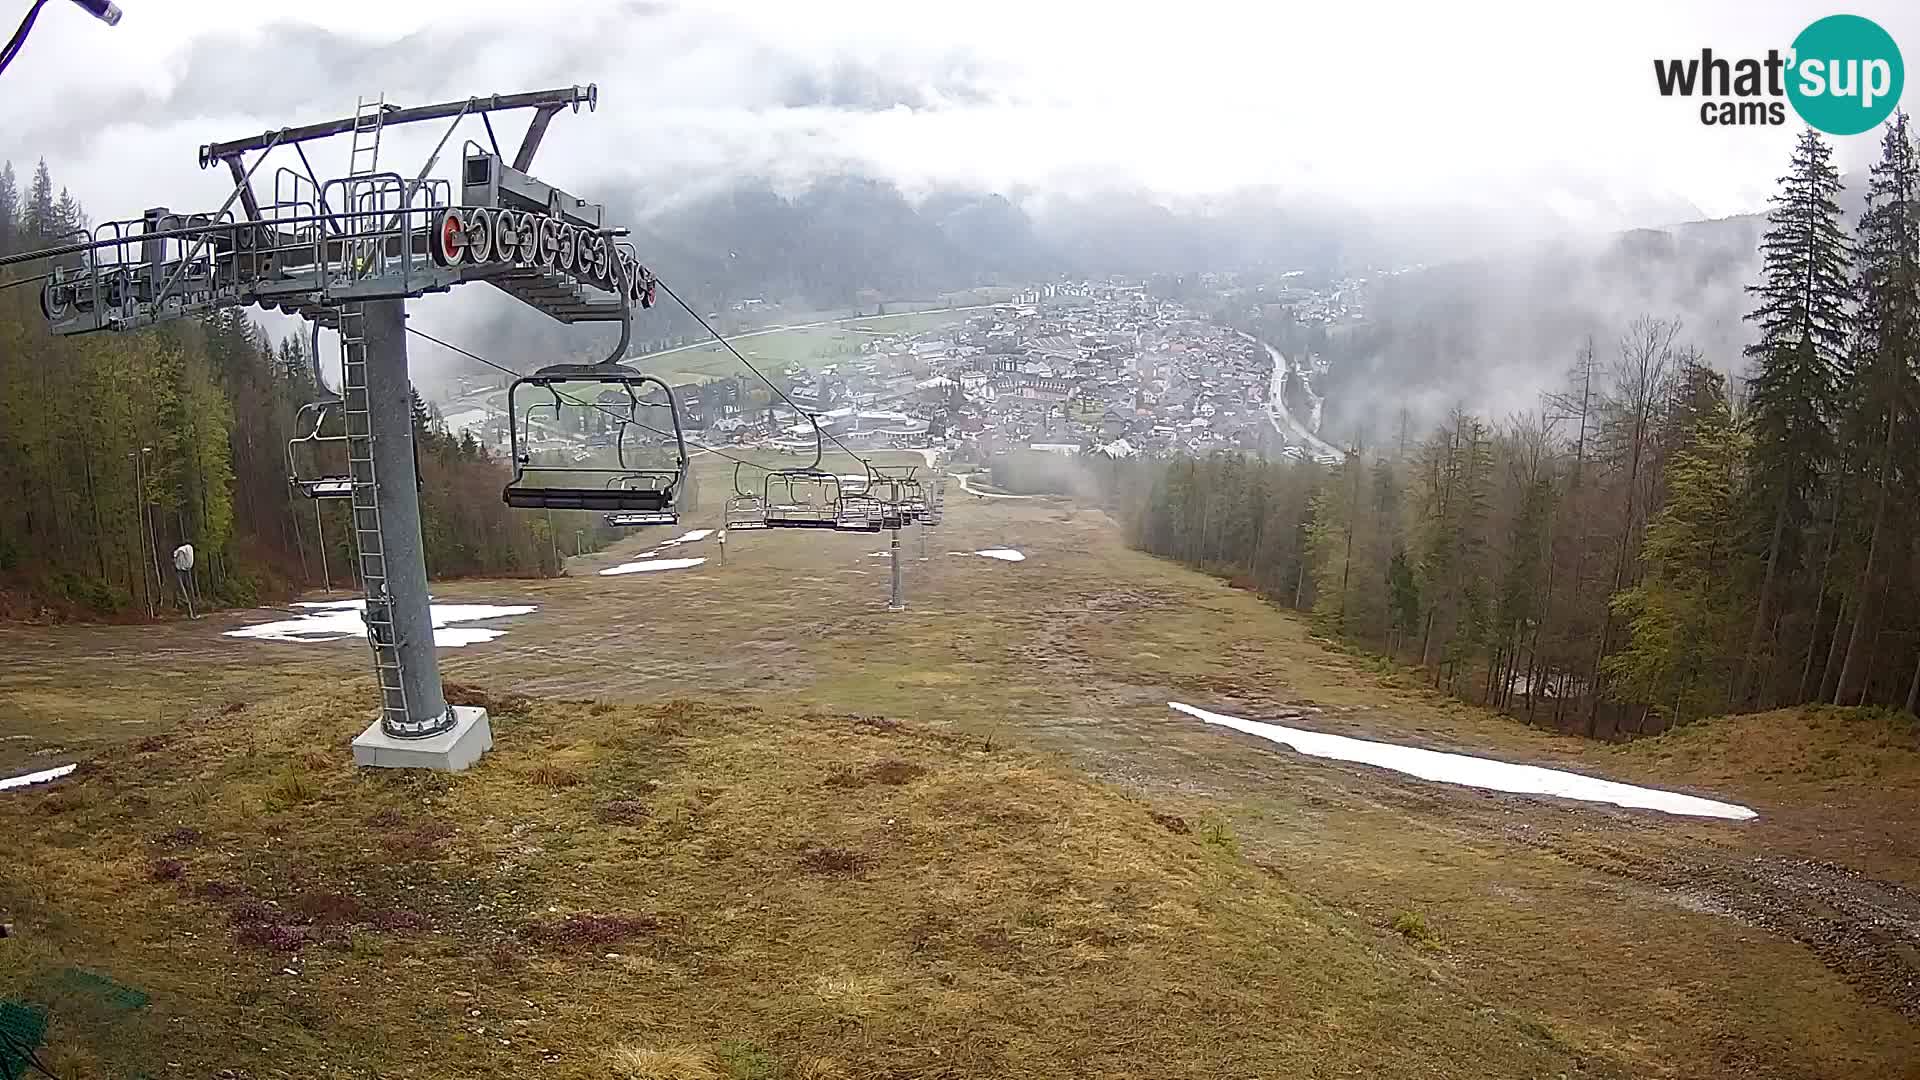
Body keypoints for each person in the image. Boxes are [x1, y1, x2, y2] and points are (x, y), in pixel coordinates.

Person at [171, 541, 198, 619]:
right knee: (185, 589)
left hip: (182, 568)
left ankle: (190, 612)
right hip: (185, 567)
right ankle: (191, 612)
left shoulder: (182, 550)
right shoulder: (187, 549)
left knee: (183, 589)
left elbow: (178, 552)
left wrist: (176, 558)